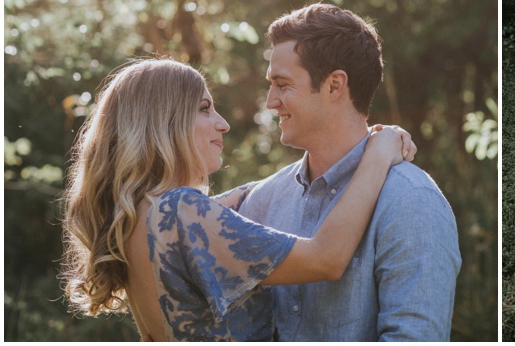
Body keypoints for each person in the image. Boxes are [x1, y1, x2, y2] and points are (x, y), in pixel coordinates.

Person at [62, 58, 415, 341]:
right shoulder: (181, 211)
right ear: (162, 121)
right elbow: (328, 258)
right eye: (203, 108)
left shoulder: (137, 220)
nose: (223, 124)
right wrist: (376, 156)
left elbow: (232, 201)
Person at [238, 2, 462, 341]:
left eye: (282, 84)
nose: (270, 101)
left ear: (334, 86)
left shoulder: (412, 202)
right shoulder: (263, 201)